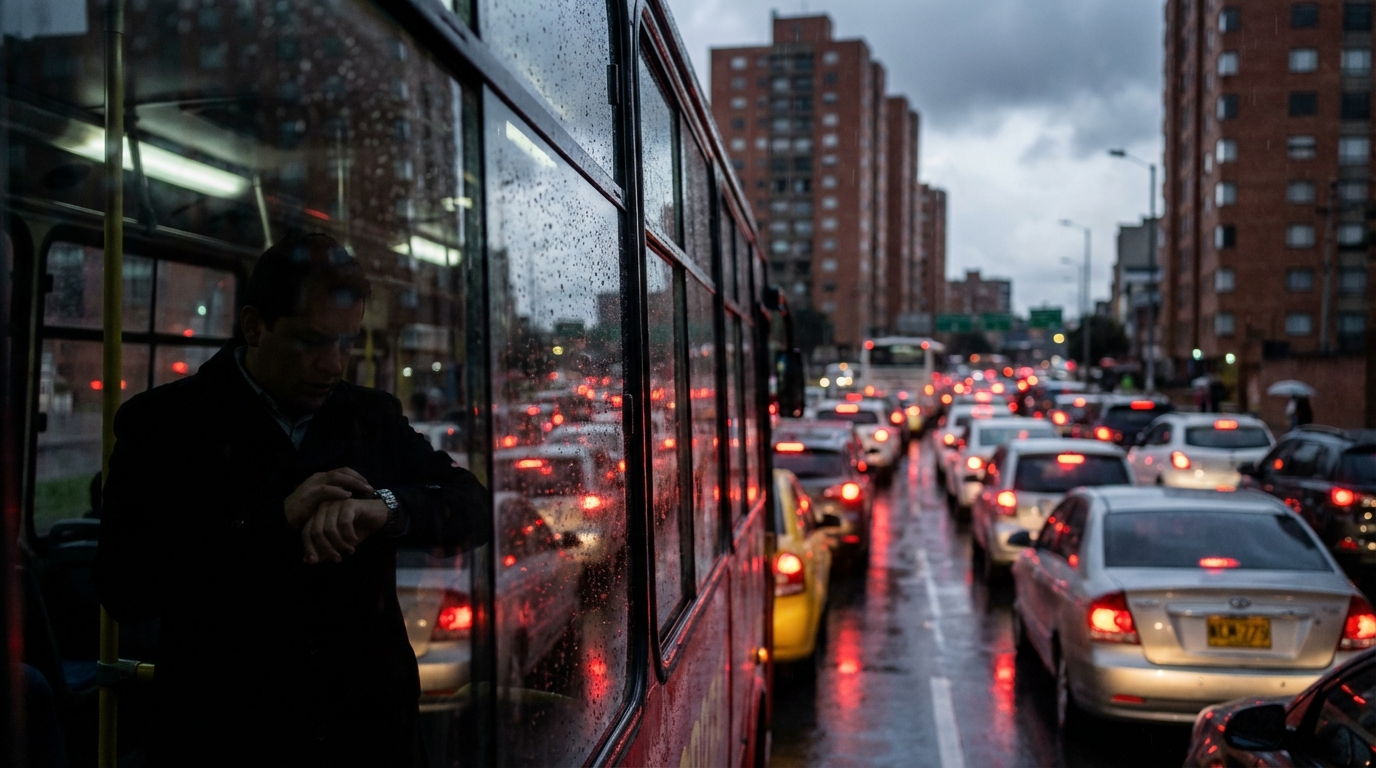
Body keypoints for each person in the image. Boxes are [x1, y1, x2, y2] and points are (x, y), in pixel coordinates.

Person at [94, 234, 488, 767]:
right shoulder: (165, 424)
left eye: (347, 345)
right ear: (255, 326)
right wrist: (273, 523)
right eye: (310, 342)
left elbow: (473, 506)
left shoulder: (369, 418)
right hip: (231, 734)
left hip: (369, 734)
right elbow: (125, 584)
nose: (333, 365)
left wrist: (386, 508)